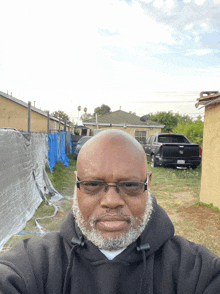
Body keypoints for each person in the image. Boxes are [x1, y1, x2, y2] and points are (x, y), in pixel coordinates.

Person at [0, 130, 219, 294]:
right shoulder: (34, 265)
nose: (112, 201)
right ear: (77, 183)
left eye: (131, 185)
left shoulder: (196, 271)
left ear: (147, 184)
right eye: (93, 184)